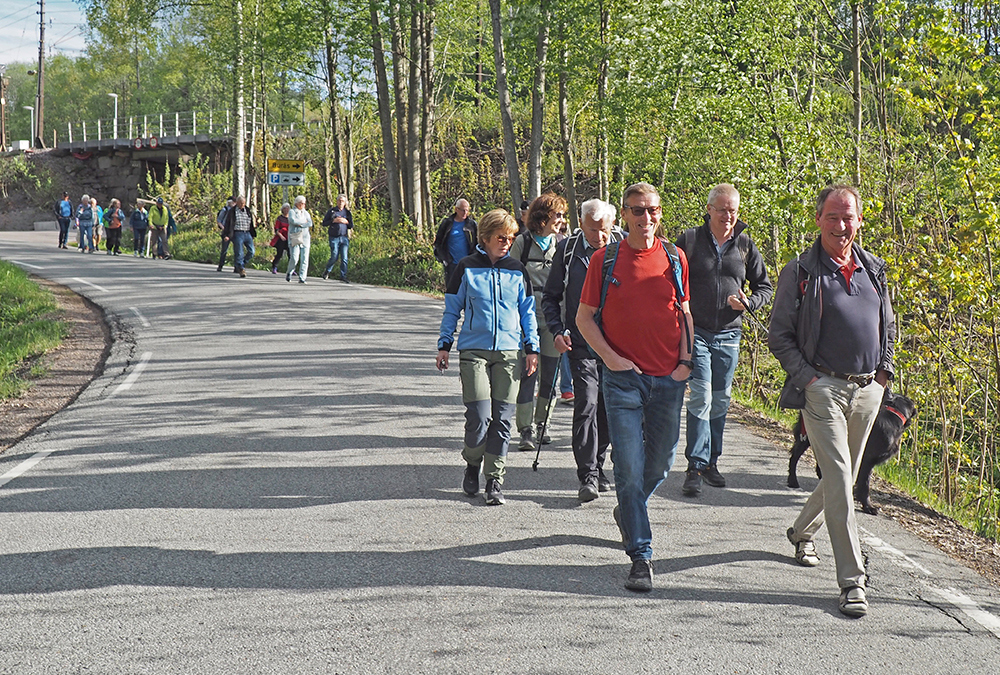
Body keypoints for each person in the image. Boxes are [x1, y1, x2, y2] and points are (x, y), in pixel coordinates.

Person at [769, 184, 895, 618]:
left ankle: (801, 531)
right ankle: (852, 582)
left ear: (859, 220)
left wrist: (883, 375)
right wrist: (809, 380)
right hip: (822, 390)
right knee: (841, 477)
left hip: (868, 390)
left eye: (849, 218)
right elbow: (779, 335)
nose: (842, 226)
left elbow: (888, 327)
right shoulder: (801, 270)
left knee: (845, 473)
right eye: (833, 217)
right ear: (818, 218)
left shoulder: (873, 268)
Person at [576, 182, 694, 592]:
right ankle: (641, 556)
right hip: (623, 379)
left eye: (653, 211)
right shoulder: (605, 259)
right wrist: (611, 359)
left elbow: (684, 314)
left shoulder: (676, 259)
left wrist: (685, 363)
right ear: (624, 216)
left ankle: (628, 511)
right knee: (627, 469)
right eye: (638, 211)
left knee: (660, 464)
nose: (646, 219)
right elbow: (585, 318)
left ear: (661, 214)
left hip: (668, 379)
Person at [675, 183, 773, 496]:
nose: (728, 216)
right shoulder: (689, 240)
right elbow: (671, 282)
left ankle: (711, 462)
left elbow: (765, 288)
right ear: (709, 210)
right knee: (701, 396)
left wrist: (749, 303)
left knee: (720, 399)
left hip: (730, 333)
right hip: (697, 331)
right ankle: (695, 464)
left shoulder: (745, 244)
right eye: (722, 210)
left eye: (733, 210)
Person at [436, 209, 539, 506]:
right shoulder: (466, 267)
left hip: (509, 352)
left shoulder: (517, 270)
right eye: (501, 237)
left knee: (503, 419)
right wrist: (444, 344)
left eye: (511, 237)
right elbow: (452, 309)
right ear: (485, 238)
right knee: (480, 417)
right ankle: (472, 464)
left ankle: (494, 479)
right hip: (473, 351)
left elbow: (527, 313)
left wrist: (531, 348)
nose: (507, 242)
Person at [542, 198, 624, 502]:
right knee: (586, 404)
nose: (599, 237)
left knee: (607, 409)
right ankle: (587, 475)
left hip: (617, 346)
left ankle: (599, 465)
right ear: (581, 223)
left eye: (604, 230)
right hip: (580, 343)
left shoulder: (626, 248)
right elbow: (550, 298)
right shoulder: (568, 250)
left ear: (613, 225)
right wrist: (557, 330)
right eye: (592, 230)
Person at [510, 193, 565, 452]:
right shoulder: (522, 243)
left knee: (550, 378)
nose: (561, 221)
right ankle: (525, 429)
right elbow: (511, 279)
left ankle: (543, 423)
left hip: (554, 319)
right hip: (527, 319)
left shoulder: (563, 244)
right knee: (527, 375)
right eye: (558, 215)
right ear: (543, 217)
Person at [432, 199, 477, 286]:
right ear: (456, 209)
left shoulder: (472, 225)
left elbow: (477, 243)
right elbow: (438, 243)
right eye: (462, 210)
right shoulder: (447, 223)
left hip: (467, 263)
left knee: (467, 289)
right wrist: (444, 259)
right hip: (451, 264)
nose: (465, 212)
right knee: (452, 290)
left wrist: (474, 257)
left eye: (467, 210)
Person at [321, 194, 353, 282]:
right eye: (339, 200)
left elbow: (351, 225)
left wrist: (345, 221)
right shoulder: (332, 211)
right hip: (334, 237)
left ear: (345, 203)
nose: (340, 202)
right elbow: (324, 223)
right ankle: (327, 270)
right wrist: (333, 221)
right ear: (337, 201)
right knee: (334, 256)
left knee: (344, 258)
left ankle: (343, 276)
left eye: (342, 201)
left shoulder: (347, 212)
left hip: (344, 238)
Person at [223, 195, 256, 278]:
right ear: (237, 203)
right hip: (237, 233)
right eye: (241, 203)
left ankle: (240, 264)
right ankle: (241, 269)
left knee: (251, 251)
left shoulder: (247, 210)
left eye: (244, 203)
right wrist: (226, 235)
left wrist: (252, 234)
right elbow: (228, 224)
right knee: (239, 253)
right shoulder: (232, 211)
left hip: (247, 233)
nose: (242, 205)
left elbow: (251, 223)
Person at [286, 195, 313, 283]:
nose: (302, 205)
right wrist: (302, 222)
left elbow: (310, 223)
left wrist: (301, 224)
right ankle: (289, 272)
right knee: (294, 257)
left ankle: (302, 277)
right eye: (301, 203)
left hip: (305, 237)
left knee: (305, 258)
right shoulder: (292, 211)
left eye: (304, 203)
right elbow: (293, 221)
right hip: (295, 235)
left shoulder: (306, 213)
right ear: (297, 203)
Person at [216, 196, 235, 272]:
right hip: (226, 232)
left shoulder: (236, 210)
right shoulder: (225, 210)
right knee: (224, 249)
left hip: (234, 231)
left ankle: (236, 266)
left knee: (237, 250)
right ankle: (221, 265)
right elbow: (219, 221)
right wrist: (224, 228)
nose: (233, 204)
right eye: (232, 202)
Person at [270, 203, 290, 274]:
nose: (286, 210)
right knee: (279, 253)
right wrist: (281, 236)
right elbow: (277, 229)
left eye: (288, 208)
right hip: (281, 238)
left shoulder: (291, 218)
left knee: (291, 254)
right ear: (282, 209)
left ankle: (291, 269)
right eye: (285, 208)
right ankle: (274, 267)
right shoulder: (280, 218)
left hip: (289, 238)